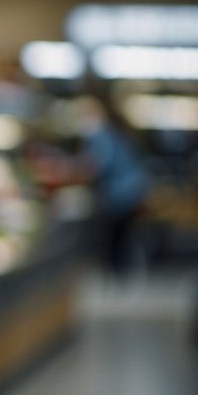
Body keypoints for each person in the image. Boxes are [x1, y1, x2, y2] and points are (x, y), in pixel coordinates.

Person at [73, 95, 151, 276]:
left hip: (121, 195)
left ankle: (119, 273)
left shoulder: (102, 134)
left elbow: (97, 165)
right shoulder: (114, 132)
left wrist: (72, 171)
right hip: (131, 191)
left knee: (117, 238)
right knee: (124, 237)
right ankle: (123, 271)